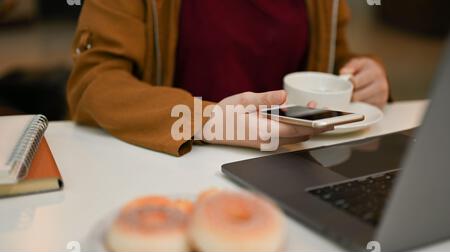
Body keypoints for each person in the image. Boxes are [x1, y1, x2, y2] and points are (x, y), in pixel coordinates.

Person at [67, 0, 389, 156]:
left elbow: (332, 59)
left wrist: (362, 75)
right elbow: (93, 83)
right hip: (180, 162)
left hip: (295, 162)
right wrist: (202, 119)